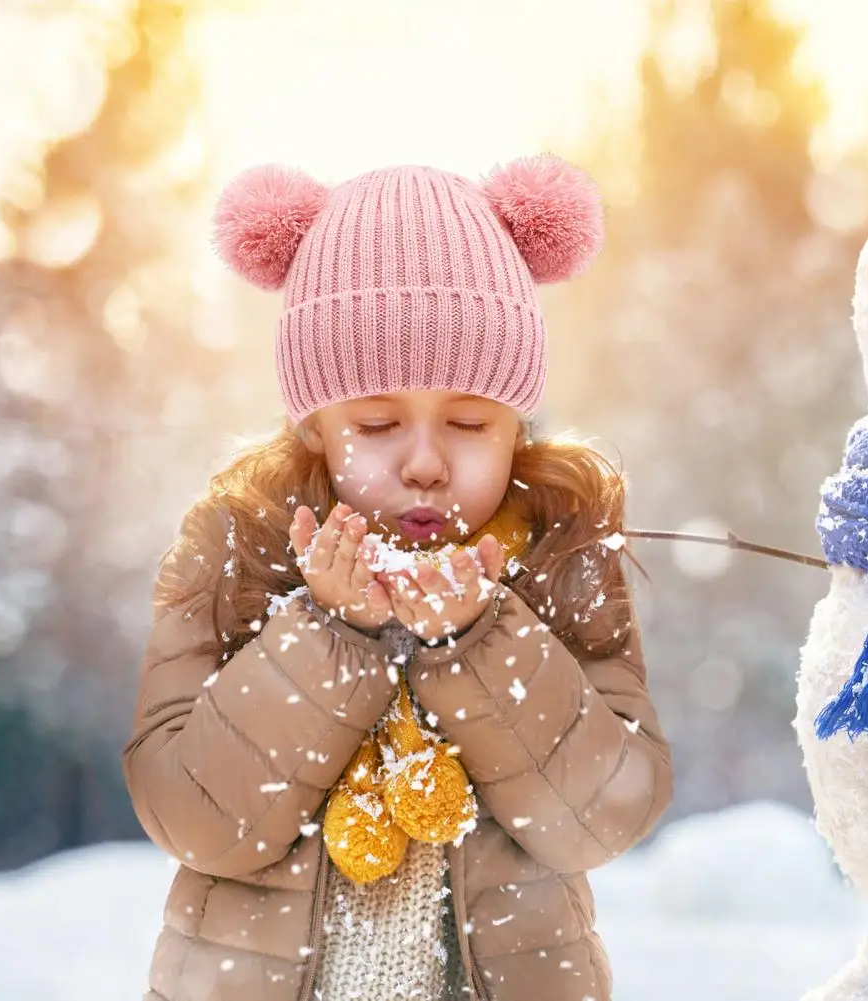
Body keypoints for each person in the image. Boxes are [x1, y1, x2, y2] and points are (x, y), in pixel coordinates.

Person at [123, 155, 673, 1001]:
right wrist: (324, 634)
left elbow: (601, 816)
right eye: (377, 422)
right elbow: (196, 819)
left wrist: (479, 641)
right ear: (313, 423)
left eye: (469, 421)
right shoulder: (237, 548)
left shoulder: (558, 555)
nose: (424, 462)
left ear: (516, 422)